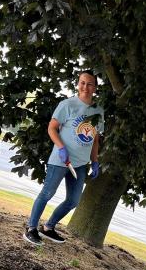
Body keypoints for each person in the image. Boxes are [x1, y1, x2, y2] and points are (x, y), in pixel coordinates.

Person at [23, 70, 104, 245]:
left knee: (73, 201)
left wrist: (95, 161)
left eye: (90, 84)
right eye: (82, 82)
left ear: (95, 88)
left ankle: (49, 227)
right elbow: (52, 128)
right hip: (61, 160)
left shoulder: (98, 110)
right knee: (47, 194)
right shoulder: (67, 104)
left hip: (81, 164)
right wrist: (61, 148)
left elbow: (95, 138)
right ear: (78, 84)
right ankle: (31, 228)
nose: (85, 87)